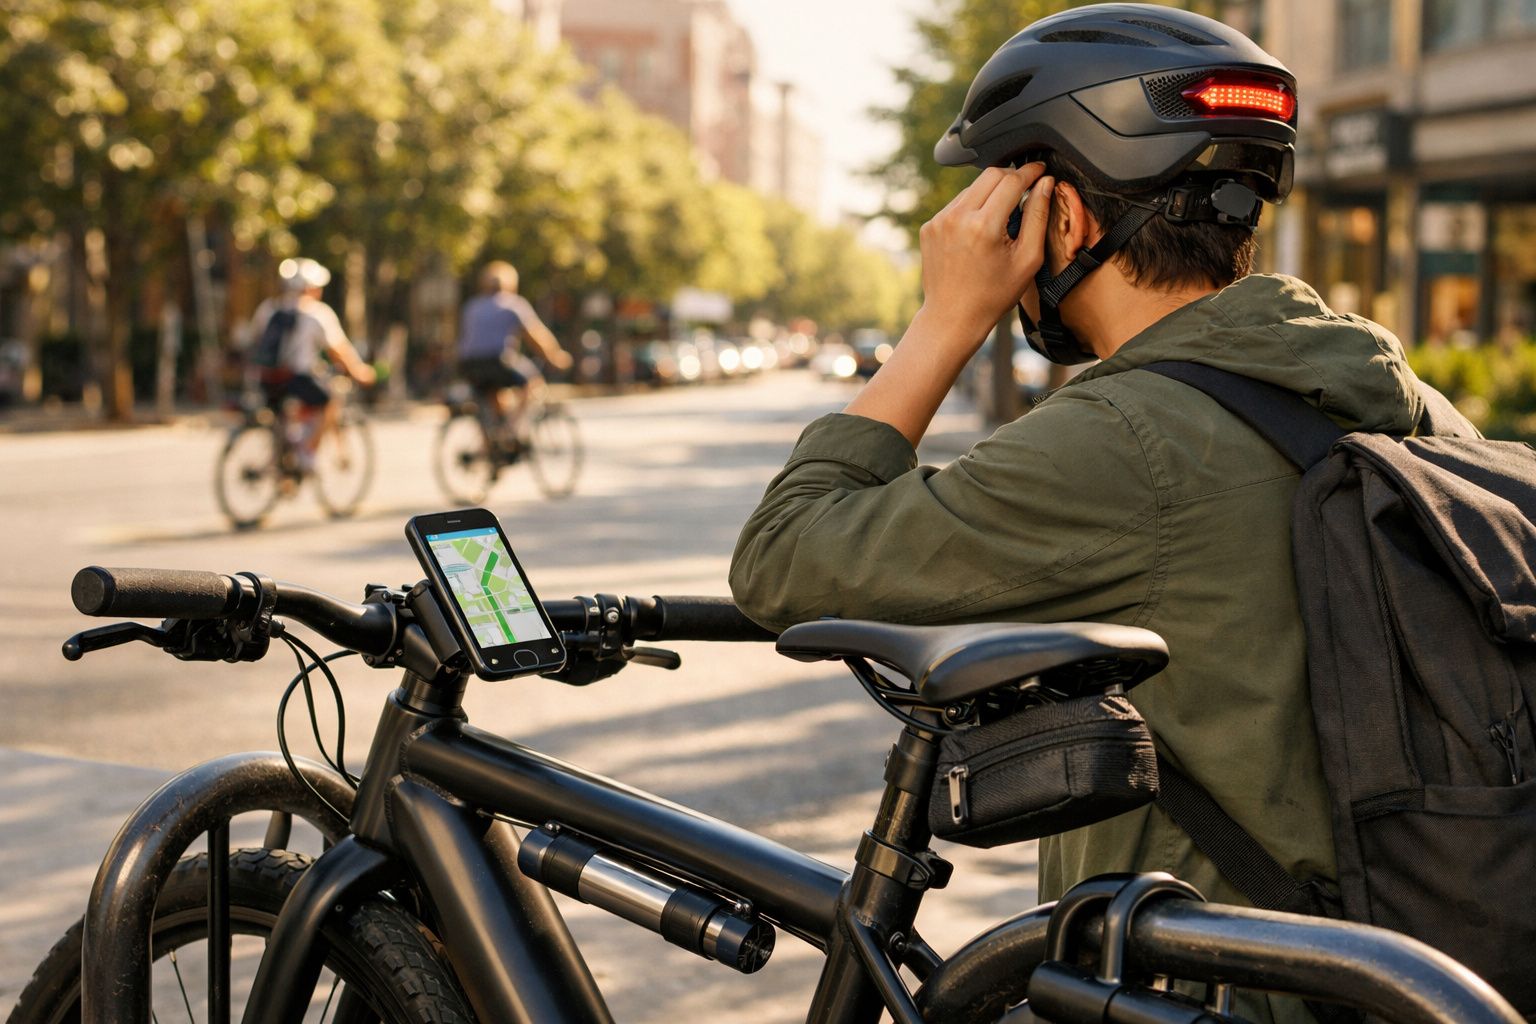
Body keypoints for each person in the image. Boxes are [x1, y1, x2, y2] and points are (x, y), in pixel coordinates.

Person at [729, 7, 1466, 1020]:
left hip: (1195, 990)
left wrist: (946, 317)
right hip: (1396, 976)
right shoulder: (1408, 403)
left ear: (1063, 218)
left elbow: (783, 557)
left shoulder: (1129, 437)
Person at [246, 257, 376, 471]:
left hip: (267, 379)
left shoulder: (267, 308)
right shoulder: (316, 312)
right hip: (297, 379)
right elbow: (339, 349)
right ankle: (307, 452)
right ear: (312, 287)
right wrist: (360, 372)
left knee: (283, 417)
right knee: (330, 400)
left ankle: (283, 462)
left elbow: (253, 341)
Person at [457, 261, 572, 445]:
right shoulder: (512, 304)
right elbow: (536, 336)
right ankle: (511, 431)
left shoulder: (472, 307)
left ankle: (492, 448)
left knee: (491, 398)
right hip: (498, 360)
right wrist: (555, 356)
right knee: (533, 383)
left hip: (468, 364)